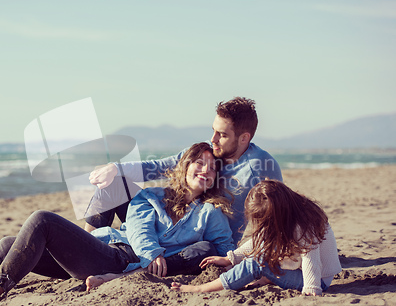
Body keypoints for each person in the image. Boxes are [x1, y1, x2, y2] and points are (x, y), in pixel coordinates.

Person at [0, 142, 234, 306]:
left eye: (210, 167)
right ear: (184, 166)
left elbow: (222, 247)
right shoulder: (152, 196)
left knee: (42, 220)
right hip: (107, 250)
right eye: (198, 163)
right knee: (9, 243)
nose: (204, 170)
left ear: (215, 177)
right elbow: (136, 225)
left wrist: (229, 258)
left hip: (120, 261)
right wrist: (151, 253)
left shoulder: (210, 213)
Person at [85, 97, 283, 245]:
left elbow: (278, 218)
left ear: (243, 138)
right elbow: (159, 167)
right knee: (114, 180)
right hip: (167, 222)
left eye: (222, 135)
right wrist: (115, 168)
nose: (213, 139)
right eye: (213, 130)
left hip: (199, 241)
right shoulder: (207, 152)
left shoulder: (261, 165)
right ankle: (86, 243)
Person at [170, 180, 342, 296]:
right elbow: (259, 239)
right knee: (259, 253)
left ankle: (200, 289)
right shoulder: (291, 211)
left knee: (257, 263)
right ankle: (267, 277)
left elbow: (310, 258)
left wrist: (312, 288)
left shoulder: (303, 224)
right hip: (298, 269)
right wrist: (230, 258)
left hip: (316, 279)